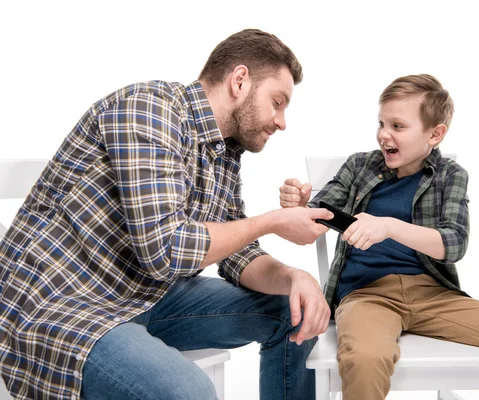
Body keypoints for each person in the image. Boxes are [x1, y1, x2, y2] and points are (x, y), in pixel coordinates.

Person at [0, 29, 334, 400]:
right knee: (189, 391)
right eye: (277, 101)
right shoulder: (149, 109)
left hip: (144, 295)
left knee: (296, 312)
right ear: (240, 81)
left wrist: (292, 277)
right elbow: (165, 251)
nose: (281, 121)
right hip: (67, 303)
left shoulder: (221, 151)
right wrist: (271, 221)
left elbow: (236, 251)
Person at [279, 74, 479, 400]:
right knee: (366, 360)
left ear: (435, 134)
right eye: (381, 123)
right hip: (367, 294)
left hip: (434, 296)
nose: (384, 134)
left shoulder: (450, 176)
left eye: (398, 126)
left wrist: (389, 226)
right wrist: (299, 208)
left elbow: (454, 244)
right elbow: (319, 221)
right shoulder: (360, 166)